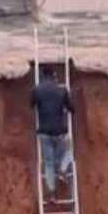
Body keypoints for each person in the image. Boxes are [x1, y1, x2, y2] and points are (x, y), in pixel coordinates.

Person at [30, 65, 75, 204]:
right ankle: (62, 169)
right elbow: (72, 109)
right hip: (60, 132)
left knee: (48, 164)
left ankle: (52, 195)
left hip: (44, 133)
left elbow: (32, 105)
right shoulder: (61, 90)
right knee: (68, 152)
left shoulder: (36, 90)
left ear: (43, 76)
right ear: (55, 76)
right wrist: (65, 110)